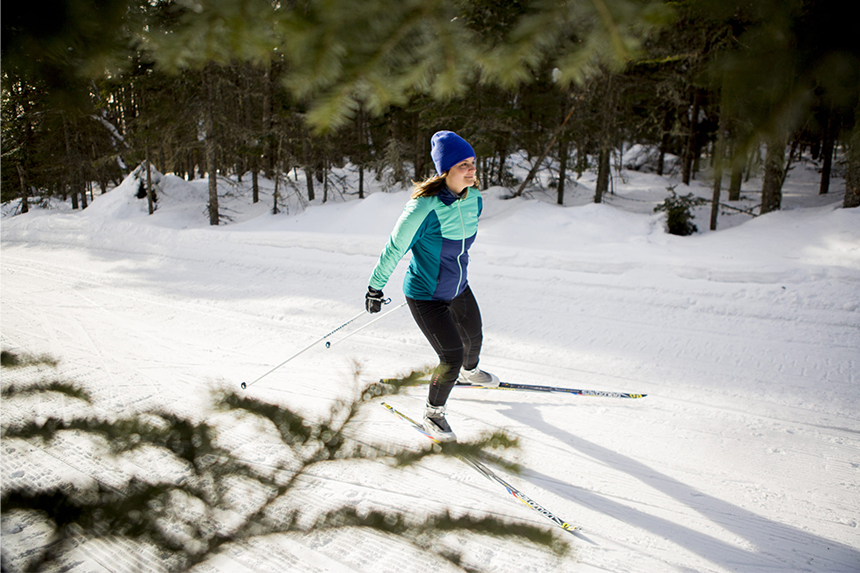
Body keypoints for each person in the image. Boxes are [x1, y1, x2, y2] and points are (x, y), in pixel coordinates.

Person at [365, 131, 498, 442]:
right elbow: (394, 248)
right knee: (451, 355)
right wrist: (375, 288)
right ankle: (433, 414)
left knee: (474, 338)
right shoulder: (422, 208)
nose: (471, 170)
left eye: (473, 163)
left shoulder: (474, 199)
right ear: (446, 170)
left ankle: (469, 373)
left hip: (458, 287)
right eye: (463, 164)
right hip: (426, 295)